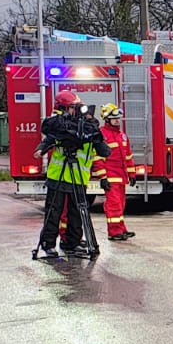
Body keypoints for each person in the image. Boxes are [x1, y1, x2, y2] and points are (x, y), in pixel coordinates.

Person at [34, 90, 109, 259]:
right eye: (72, 108)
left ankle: (72, 243)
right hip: (59, 176)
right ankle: (48, 244)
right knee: (54, 213)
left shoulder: (86, 129)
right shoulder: (60, 126)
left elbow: (104, 151)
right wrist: (41, 149)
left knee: (77, 214)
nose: (75, 111)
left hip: (78, 178)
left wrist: (94, 132)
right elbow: (50, 138)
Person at [98, 103, 136, 241]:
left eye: (119, 118)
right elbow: (98, 158)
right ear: (107, 119)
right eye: (115, 119)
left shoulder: (121, 135)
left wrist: (132, 174)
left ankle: (121, 229)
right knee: (113, 205)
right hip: (111, 177)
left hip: (121, 177)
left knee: (120, 205)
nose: (118, 121)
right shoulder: (102, 135)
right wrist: (103, 177)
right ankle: (114, 232)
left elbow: (128, 156)